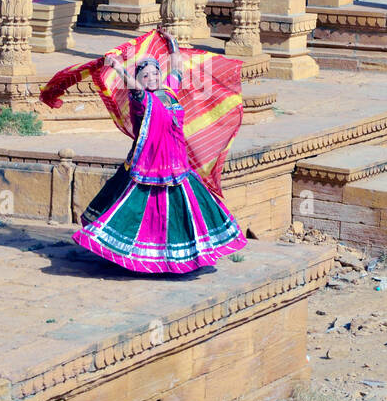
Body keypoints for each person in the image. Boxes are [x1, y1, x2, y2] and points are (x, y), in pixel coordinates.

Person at [51, 28, 247, 274]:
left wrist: (173, 43)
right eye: (146, 75)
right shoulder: (141, 99)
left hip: (176, 164)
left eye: (155, 73)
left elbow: (176, 69)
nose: (152, 77)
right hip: (149, 164)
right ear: (140, 80)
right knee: (138, 210)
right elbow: (132, 86)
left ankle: (174, 258)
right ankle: (132, 255)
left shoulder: (169, 91)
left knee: (181, 213)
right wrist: (118, 68)